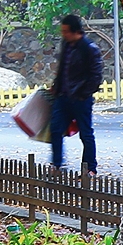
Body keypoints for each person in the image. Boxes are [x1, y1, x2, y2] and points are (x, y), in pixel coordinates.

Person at [49, 14, 103, 174]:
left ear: (75, 31)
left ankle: (89, 168)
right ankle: (56, 165)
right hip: (63, 97)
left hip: (80, 99)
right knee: (55, 129)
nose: (63, 34)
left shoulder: (89, 49)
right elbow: (62, 69)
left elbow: (96, 76)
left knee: (86, 134)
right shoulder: (66, 45)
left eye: (66, 31)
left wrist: (83, 93)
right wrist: (56, 87)